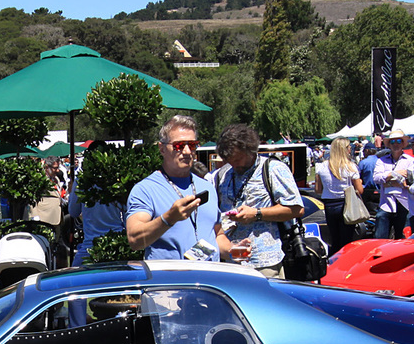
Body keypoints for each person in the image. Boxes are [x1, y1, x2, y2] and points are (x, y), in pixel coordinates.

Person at [126, 116, 226, 262]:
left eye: (192, 145)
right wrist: (169, 218)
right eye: (179, 145)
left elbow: (218, 234)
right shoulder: (145, 189)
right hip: (171, 281)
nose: (187, 151)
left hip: (208, 280)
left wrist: (232, 250)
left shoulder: (207, 186)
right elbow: (135, 240)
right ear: (162, 148)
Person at [209, 123, 301, 275]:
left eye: (237, 159)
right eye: (229, 160)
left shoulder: (273, 169)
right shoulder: (222, 175)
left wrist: (257, 214)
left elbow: (296, 209)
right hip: (230, 262)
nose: (233, 164)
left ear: (250, 150)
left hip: (263, 262)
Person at [314, 136, 365, 254]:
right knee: (347, 239)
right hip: (346, 204)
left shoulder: (322, 166)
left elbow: (318, 190)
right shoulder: (350, 166)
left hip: (329, 204)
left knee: (334, 237)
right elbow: (360, 190)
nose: (350, 149)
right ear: (344, 149)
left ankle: (334, 261)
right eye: (348, 147)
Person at [372, 132, 410, 239]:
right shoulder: (381, 160)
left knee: (403, 240)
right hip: (386, 204)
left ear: (403, 144)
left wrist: (387, 180)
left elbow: (410, 179)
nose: (396, 144)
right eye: (392, 141)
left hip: (404, 204)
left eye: (399, 141)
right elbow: (376, 178)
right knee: (379, 239)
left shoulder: (410, 161)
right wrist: (395, 174)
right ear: (389, 144)